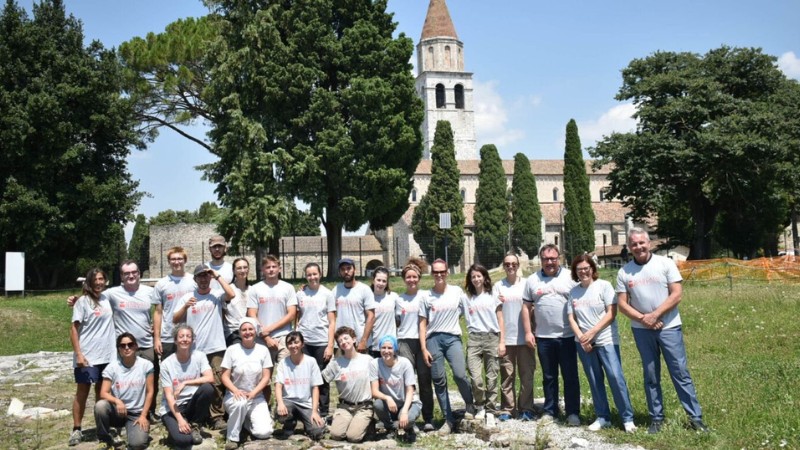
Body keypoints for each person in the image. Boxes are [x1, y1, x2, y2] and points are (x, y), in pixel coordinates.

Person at [616, 228, 708, 434]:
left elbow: (676, 294)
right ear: (629, 247)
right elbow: (622, 304)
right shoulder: (624, 272)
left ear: (649, 243)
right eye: (634, 244)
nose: (638, 247)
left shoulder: (665, 264)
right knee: (650, 375)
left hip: (669, 327)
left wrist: (655, 315)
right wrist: (644, 319)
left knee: (680, 372)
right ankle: (656, 418)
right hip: (642, 330)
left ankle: (695, 418)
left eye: (641, 242)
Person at [567, 254, 636, 433]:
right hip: (584, 343)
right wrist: (582, 337)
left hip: (606, 340)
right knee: (594, 379)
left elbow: (611, 313)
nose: (583, 272)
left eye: (586, 268)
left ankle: (627, 418)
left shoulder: (604, 286)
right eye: (579, 269)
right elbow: (571, 318)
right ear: (575, 272)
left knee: (615, 377)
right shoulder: (573, 292)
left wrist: (591, 333)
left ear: (592, 268)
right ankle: (603, 417)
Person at [521, 244, 581, 425]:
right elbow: (526, 307)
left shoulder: (570, 277)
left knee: (570, 376)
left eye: (553, 258)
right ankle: (550, 411)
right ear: (541, 260)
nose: (549, 262)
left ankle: (572, 412)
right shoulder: (532, 280)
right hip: (543, 337)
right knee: (549, 377)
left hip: (567, 336)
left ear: (559, 258)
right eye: (546, 259)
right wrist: (528, 332)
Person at [173, 263, 235, 431]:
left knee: (217, 382)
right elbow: (175, 319)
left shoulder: (216, 294)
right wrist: (185, 307)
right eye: (200, 276)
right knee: (197, 382)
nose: (203, 279)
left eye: (206, 276)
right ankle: (199, 415)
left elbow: (231, 294)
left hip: (216, 346)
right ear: (195, 279)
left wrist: (217, 276)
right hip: (195, 349)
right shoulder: (188, 297)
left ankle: (217, 416)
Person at [419, 258, 476, 435]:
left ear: (447, 272)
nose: (439, 275)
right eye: (436, 272)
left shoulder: (456, 291)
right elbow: (422, 323)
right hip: (433, 340)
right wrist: (423, 348)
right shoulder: (426, 296)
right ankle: (448, 419)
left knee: (460, 374)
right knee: (439, 379)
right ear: (432, 273)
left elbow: (469, 306)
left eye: (442, 271)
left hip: (452, 338)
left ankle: (470, 404)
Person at [68, 268, 116, 446]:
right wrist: (79, 354)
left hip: (107, 355)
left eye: (101, 279)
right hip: (88, 356)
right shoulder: (83, 302)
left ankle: (102, 427)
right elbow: (74, 329)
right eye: (95, 279)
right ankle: (76, 429)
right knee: (82, 392)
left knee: (102, 392)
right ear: (89, 282)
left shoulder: (107, 299)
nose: (98, 282)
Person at [494, 253, 536, 422]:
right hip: (507, 338)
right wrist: (501, 340)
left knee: (527, 375)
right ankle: (507, 409)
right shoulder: (498, 286)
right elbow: (497, 312)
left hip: (525, 338)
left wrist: (532, 331)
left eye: (513, 264)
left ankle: (526, 408)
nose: (510, 266)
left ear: (518, 265)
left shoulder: (526, 284)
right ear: (503, 266)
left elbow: (533, 307)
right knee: (507, 376)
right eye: (507, 264)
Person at [94, 333, 154, 450]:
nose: (127, 348)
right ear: (119, 349)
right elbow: (103, 393)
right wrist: (117, 401)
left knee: (138, 445)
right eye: (123, 346)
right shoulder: (112, 367)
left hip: (136, 413)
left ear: (136, 346)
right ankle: (104, 439)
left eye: (130, 345)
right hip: (118, 411)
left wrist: (143, 415)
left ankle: (137, 430)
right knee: (100, 406)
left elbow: (150, 392)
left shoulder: (146, 365)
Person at [220, 318, 274, 449]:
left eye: (250, 329)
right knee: (241, 403)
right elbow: (224, 376)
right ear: (239, 332)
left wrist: (254, 393)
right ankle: (232, 437)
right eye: (244, 330)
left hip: (256, 397)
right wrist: (235, 391)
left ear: (255, 331)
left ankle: (244, 423)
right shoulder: (232, 350)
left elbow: (266, 377)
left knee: (265, 432)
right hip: (235, 396)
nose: (247, 332)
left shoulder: (263, 350)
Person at [160, 324, 215, 449]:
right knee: (184, 441)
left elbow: (210, 378)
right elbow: (169, 396)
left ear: (192, 340)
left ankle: (195, 425)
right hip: (172, 409)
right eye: (181, 336)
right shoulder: (166, 364)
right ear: (175, 340)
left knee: (207, 388)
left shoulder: (199, 356)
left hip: (190, 405)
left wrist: (185, 383)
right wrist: (180, 420)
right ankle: (176, 428)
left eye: (188, 336)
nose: (185, 339)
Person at [395, 262, 435, 431]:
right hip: (405, 342)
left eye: (414, 277)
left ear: (419, 278)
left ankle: (428, 417)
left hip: (423, 342)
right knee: (407, 382)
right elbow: (397, 321)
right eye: (408, 277)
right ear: (404, 279)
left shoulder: (425, 295)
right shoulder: (399, 299)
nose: (411, 280)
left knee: (425, 380)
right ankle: (408, 418)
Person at [463, 264, 504, 425]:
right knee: (475, 377)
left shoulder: (493, 295)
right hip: (474, 338)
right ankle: (479, 405)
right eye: (473, 276)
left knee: (492, 376)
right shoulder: (466, 298)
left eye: (479, 276)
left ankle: (491, 409)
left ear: (485, 277)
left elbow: (500, 318)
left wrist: (502, 341)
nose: (476, 279)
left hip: (491, 337)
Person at [296, 262, 336, 420]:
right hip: (305, 342)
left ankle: (324, 412)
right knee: (305, 377)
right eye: (309, 274)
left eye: (315, 274)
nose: (312, 277)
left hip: (321, 342)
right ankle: (307, 410)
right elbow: (297, 317)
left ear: (320, 274)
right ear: (306, 276)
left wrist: (330, 345)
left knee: (322, 378)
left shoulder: (327, 294)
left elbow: (332, 321)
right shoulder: (300, 294)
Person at [321, 326, 374, 443]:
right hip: (345, 407)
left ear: (354, 339)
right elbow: (321, 380)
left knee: (353, 437)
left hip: (363, 407)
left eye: (346, 338)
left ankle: (369, 423)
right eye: (340, 341)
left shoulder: (367, 360)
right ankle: (352, 423)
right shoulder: (336, 363)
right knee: (336, 435)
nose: (343, 342)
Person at [246, 255, 298, 368]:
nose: (271, 269)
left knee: (286, 372)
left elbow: (291, 314)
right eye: (268, 267)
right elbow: (251, 314)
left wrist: (269, 329)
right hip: (261, 338)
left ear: (280, 269)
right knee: (262, 374)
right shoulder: (255, 289)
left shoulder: (288, 288)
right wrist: (265, 336)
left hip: (284, 337)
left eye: (274, 267)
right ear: (262, 269)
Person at [274, 331, 326, 441]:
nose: (293, 346)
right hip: (289, 401)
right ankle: (289, 425)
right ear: (287, 345)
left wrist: (314, 411)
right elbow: (278, 385)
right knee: (281, 414)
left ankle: (308, 426)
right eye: (290, 343)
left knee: (318, 431)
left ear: (302, 344)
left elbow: (315, 388)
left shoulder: (311, 361)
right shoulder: (283, 363)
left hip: (306, 404)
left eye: (296, 342)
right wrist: (280, 403)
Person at [370, 335, 421, 443]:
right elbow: (374, 391)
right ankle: (392, 427)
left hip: (408, 402)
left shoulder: (405, 363)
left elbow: (410, 390)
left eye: (390, 348)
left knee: (408, 418)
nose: (386, 351)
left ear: (395, 350)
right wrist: (387, 398)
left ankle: (407, 426)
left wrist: (405, 412)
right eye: (383, 348)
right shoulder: (375, 364)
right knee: (378, 404)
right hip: (390, 404)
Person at [152, 246, 195, 361]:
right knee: (168, 368)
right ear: (169, 262)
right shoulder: (161, 284)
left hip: (190, 335)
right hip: (169, 336)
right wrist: (157, 338)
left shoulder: (194, 281)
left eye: (180, 259)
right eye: (173, 259)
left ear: (185, 260)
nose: (176, 262)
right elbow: (158, 312)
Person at [333, 258, 376, 353]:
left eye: (349, 268)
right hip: (341, 342)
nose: (346, 272)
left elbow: (371, 316)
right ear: (340, 272)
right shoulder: (336, 290)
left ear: (354, 270)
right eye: (343, 269)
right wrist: (306, 287)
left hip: (359, 341)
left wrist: (364, 340)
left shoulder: (364, 289)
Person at [368, 267, 398, 358]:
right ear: (373, 280)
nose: (381, 283)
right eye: (378, 280)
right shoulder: (367, 298)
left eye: (384, 281)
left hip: (390, 345)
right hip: (373, 345)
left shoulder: (393, 297)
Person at [224, 257, 251, 347]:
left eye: (245, 267)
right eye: (239, 268)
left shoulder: (252, 290)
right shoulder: (229, 290)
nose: (243, 270)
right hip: (233, 332)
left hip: (250, 331)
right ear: (234, 271)